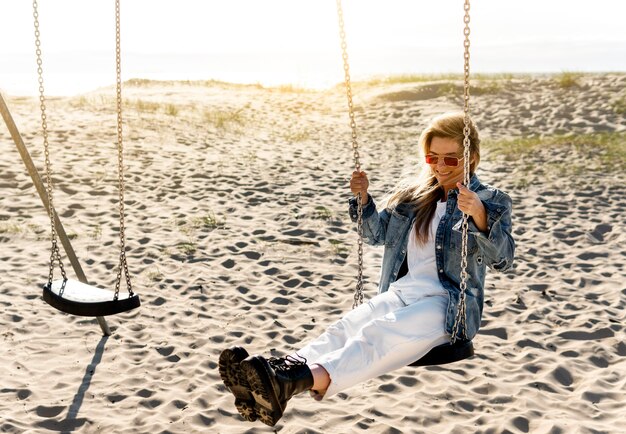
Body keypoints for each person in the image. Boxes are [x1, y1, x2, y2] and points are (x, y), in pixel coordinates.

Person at [218, 111, 515, 427]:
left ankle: (294, 383)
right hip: (403, 292)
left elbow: (503, 260)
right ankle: (276, 375)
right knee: (344, 329)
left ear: (472, 159)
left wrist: (481, 218)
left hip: (447, 307)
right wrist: (362, 199)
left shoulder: (489, 200)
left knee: (378, 333)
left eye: (451, 160)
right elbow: (375, 233)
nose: (440, 167)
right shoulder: (414, 197)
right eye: (433, 158)